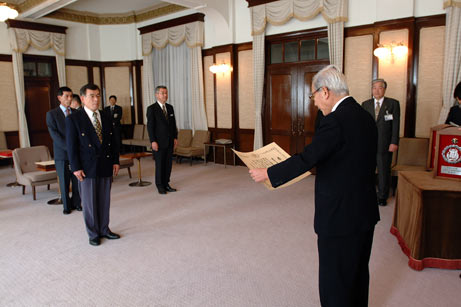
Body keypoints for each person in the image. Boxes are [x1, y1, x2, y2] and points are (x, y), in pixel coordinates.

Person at [250, 65, 379, 307]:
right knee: (358, 273)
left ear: (326, 91)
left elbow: (308, 157)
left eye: (314, 96)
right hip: (364, 211)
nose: (315, 103)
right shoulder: (365, 116)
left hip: (339, 216)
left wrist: (269, 172)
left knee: (335, 280)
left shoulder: (335, 121)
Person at [66, 84, 120, 246]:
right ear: (82, 99)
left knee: (104, 200)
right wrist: (75, 167)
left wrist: (116, 161)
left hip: (105, 163)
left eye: (98, 95)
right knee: (89, 202)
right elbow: (71, 146)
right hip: (86, 167)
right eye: (92, 96)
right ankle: (93, 233)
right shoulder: (74, 118)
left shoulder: (106, 116)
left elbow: (113, 141)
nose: (96, 99)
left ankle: (104, 229)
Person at [361, 79, 400, 206]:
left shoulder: (393, 104)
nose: (377, 90)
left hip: (385, 144)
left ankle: (382, 196)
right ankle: (368, 194)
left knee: (384, 171)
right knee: (367, 170)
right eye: (374, 88)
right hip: (368, 145)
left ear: (384, 89)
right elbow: (362, 125)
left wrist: (394, 142)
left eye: (380, 88)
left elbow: (396, 125)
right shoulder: (365, 104)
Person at [46, 86, 81, 215]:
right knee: (64, 181)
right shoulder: (51, 114)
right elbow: (55, 136)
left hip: (76, 153)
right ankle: (66, 206)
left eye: (71, 96)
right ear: (59, 97)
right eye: (66, 96)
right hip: (62, 153)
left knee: (77, 180)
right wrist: (70, 148)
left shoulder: (76, 113)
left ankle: (77, 203)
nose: (69, 99)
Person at [146, 86, 178, 195]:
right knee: (160, 165)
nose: (165, 95)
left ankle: (166, 184)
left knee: (168, 164)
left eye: (166, 93)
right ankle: (160, 185)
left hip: (169, 141)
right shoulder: (152, 109)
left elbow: (173, 125)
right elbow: (150, 127)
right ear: (157, 95)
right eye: (162, 93)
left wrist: (175, 138)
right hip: (158, 143)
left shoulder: (170, 108)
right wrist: (153, 141)